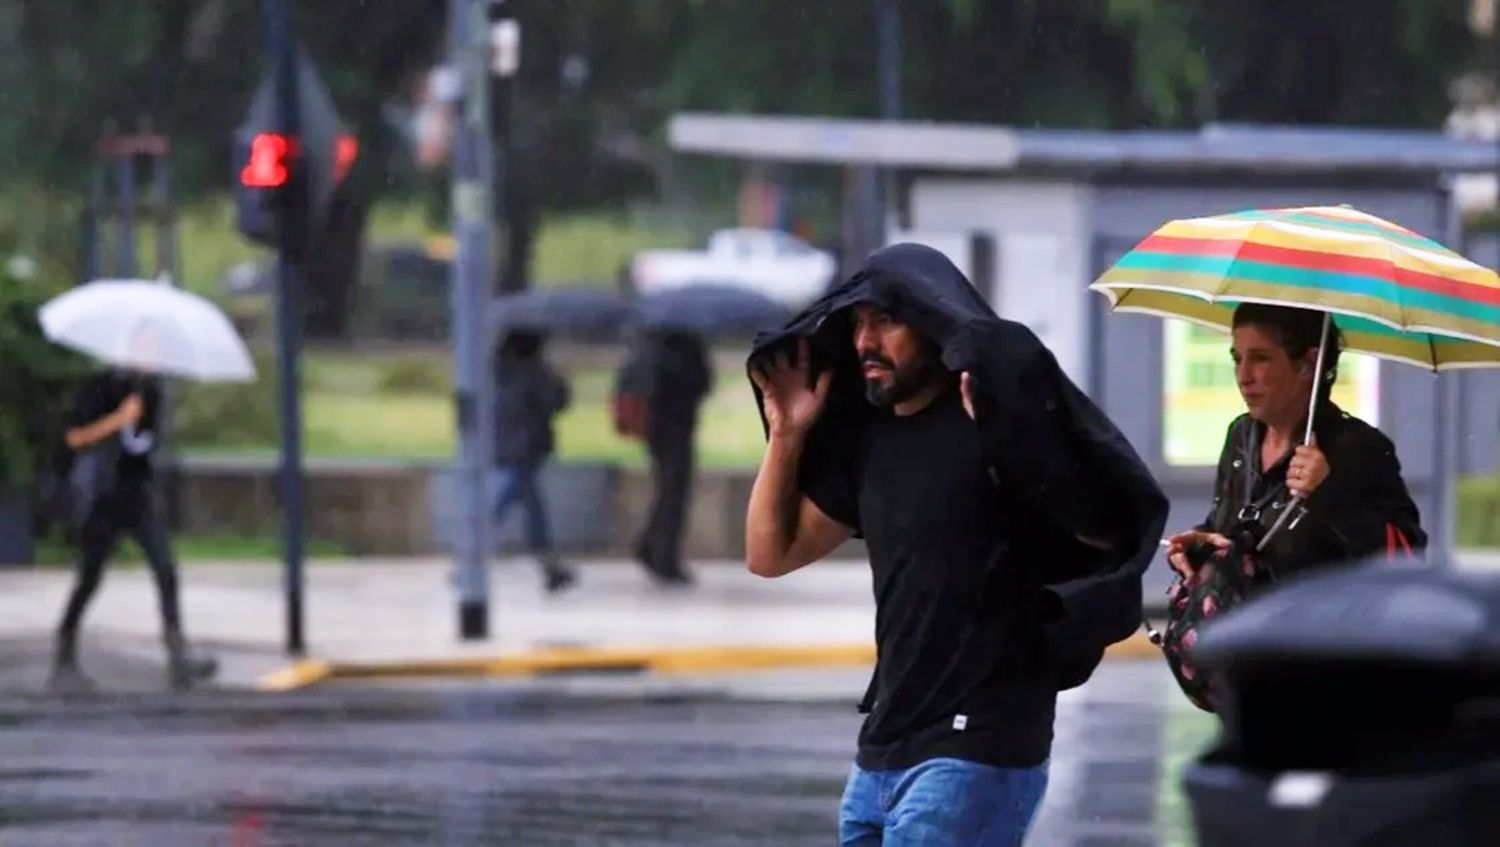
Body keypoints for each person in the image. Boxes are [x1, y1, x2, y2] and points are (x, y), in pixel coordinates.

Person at [744, 244, 1168, 846]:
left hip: (979, 743)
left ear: (932, 320)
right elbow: (769, 555)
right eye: (858, 323)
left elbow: (1101, 525)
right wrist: (787, 433)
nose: (866, 341)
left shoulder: (994, 421)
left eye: (885, 320)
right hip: (882, 753)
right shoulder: (871, 444)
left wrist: (1014, 439)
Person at [52, 367, 217, 693]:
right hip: (102, 497)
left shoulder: (152, 391)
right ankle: (65, 653)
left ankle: (177, 655)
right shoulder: (100, 386)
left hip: (139, 496)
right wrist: (118, 420)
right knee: (89, 578)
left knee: (166, 570)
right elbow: (75, 438)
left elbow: (147, 444)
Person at [613, 328, 713, 585]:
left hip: (654, 428)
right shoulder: (686, 348)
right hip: (677, 427)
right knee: (674, 492)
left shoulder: (646, 345)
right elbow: (702, 384)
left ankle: (651, 545)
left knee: (667, 489)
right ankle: (660, 554)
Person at [492, 331, 576, 593]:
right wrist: (562, 380)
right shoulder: (535, 372)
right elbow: (557, 401)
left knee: (532, 506)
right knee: (508, 499)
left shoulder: (496, 370)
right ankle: (470, 554)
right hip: (529, 446)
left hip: (504, 444)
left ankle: (550, 566)